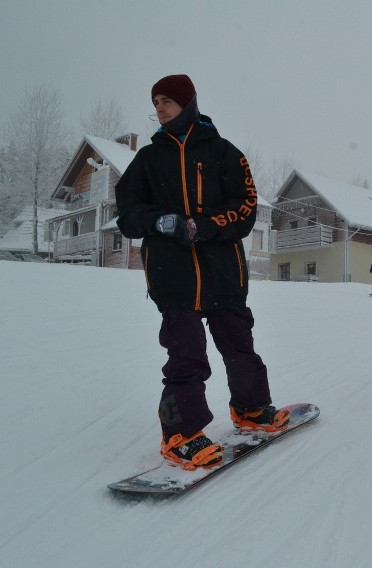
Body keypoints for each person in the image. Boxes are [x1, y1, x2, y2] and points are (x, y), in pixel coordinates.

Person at [116, 74, 289, 471]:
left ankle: (251, 408)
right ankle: (181, 433)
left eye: (167, 101)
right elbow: (126, 214)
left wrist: (205, 226)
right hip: (172, 276)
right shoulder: (146, 159)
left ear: (188, 103)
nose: (159, 108)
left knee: (238, 345)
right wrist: (159, 221)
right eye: (155, 102)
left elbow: (246, 207)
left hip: (223, 272)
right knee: (186, 353)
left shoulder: (224, 153)